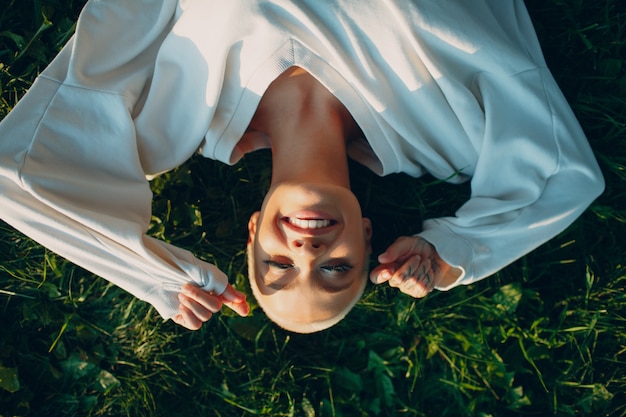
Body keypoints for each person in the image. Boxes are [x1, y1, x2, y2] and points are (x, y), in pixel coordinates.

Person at [0, 0, 604, 333]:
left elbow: (17, 176)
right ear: (371, 238)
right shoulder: (450, 139)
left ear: (253, 228)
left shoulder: (169, 117)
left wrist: (155, 276)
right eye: (337, 270)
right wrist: (455, 254)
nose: (309, 251)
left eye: (277, 266)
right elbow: (564, 176)